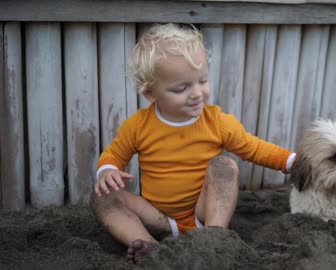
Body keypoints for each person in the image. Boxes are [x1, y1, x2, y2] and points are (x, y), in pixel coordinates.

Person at [91, 23, 296, 264]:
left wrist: (291, 161)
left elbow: (253, 148)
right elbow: (114, 155)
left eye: (202, 81)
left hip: (202, 211)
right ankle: (150, 246)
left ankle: (214, 237)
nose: (197, 93)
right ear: (150, 94)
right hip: (157, 217)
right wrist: (107, 170)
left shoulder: (217, 122)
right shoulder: (138, 126)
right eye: (181, 88)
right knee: (102, 196)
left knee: (224, 166)